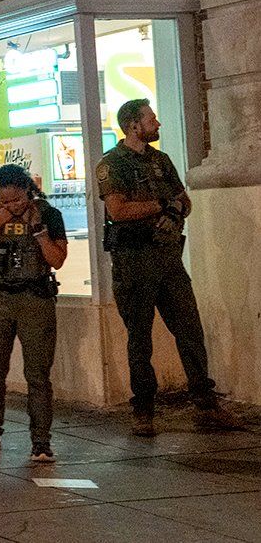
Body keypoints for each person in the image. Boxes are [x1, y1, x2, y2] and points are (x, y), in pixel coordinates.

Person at [97, 99, 243, 436]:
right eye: (151, 119)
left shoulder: (161, 160)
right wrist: (162, 205)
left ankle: (205, 405)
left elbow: (184, 200)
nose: (157, 124)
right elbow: (118, 211)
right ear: (134, 125)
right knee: (140, 337)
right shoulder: (112, 164)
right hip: (134, 261)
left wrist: (176, 213)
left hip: (168, 259)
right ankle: (144, 410)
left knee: (190, 330)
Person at [0, 165, 67, 463]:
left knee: (37, 374)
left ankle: (41, 441)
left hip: (35, 296)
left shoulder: (48, 214)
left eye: (15, 200)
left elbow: (58, 259)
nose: (10, 205)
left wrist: (39, 234)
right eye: (3, 200)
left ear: (27, 190)